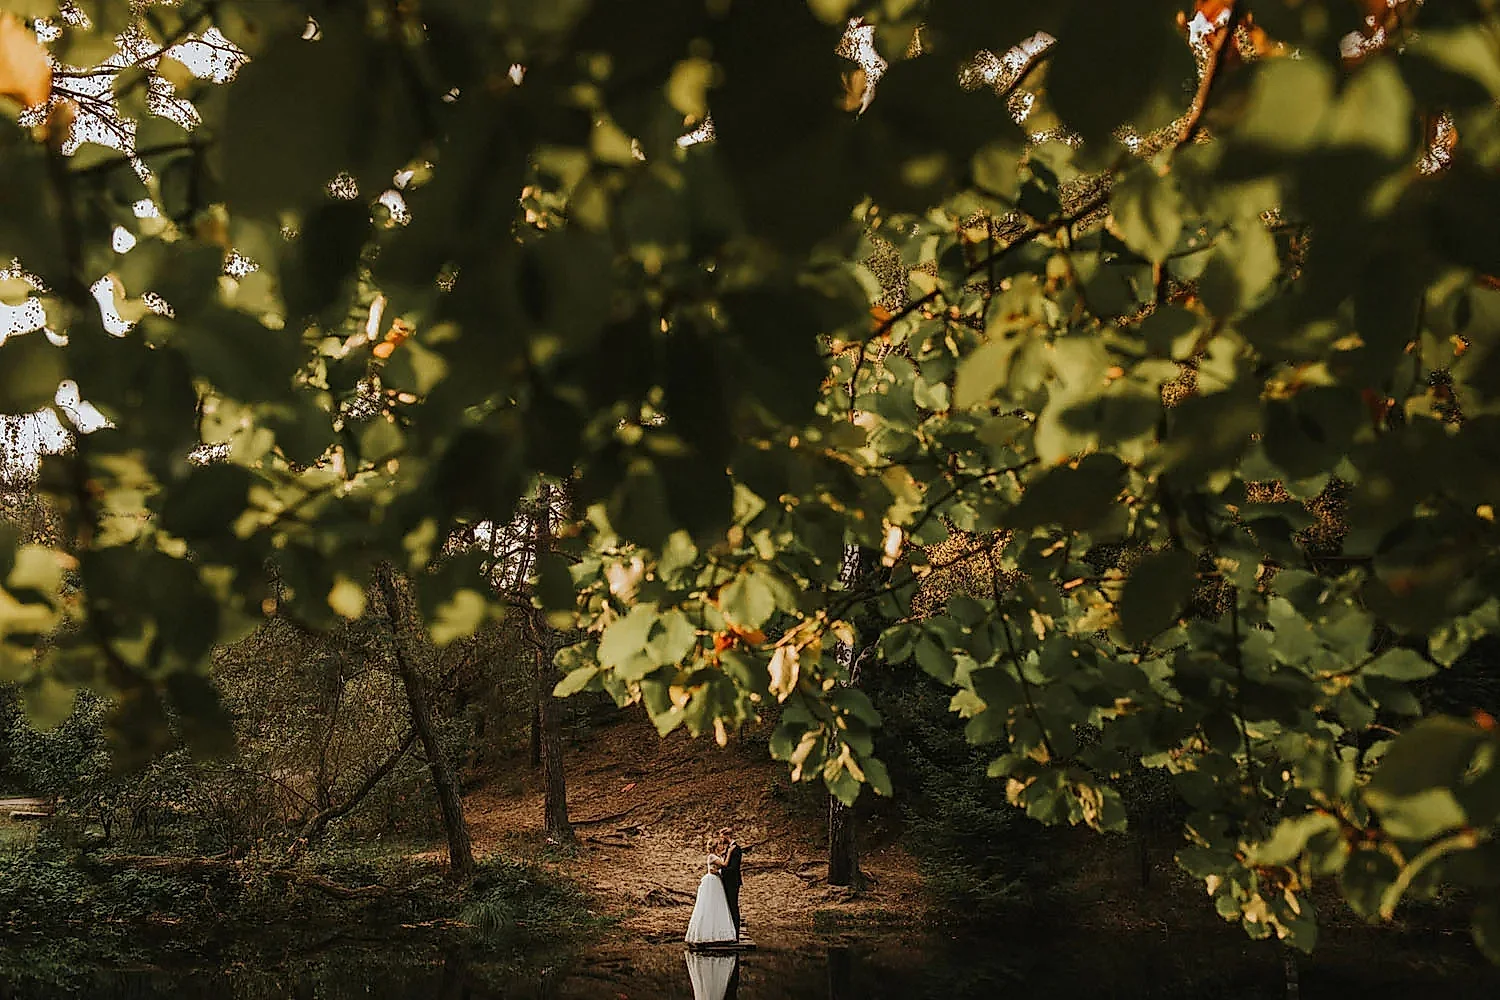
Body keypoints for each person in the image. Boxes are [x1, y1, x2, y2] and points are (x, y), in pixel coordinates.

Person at [685, 832, 737, 946]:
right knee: (711, 906)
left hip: (716, 880)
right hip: (712, 881)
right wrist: (729, 852)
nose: (720, 846)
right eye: (718, 844)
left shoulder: (714, 856)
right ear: (715, 846)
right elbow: (724, 864)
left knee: (716, 906)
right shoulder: (712, 856)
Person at [717, 827, 744, 940]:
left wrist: (720, 871)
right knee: (728, 906)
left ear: (727, 836)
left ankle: (736, 934)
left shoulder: (736, 849)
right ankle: (730, 932)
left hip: (732, 882)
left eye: (722, 837)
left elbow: (733, 868)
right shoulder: (729, 848)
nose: (721, 839)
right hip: (727, 882)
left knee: (733, 906)